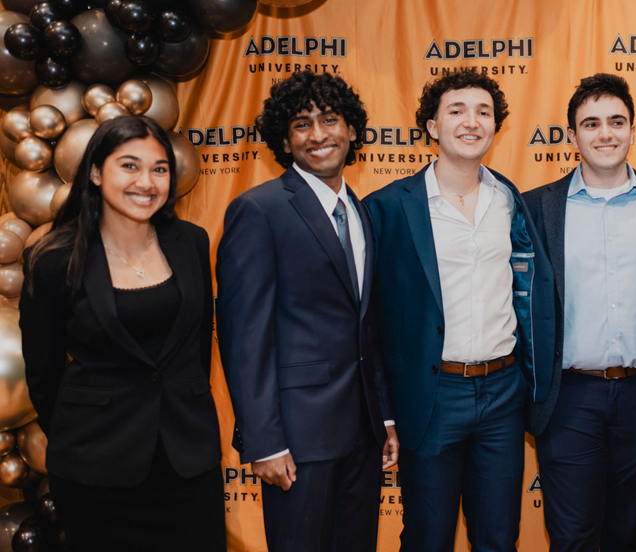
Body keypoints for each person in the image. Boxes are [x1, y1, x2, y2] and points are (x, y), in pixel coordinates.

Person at [363, 70, 555, 552]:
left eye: (484, 112)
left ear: (496, 126)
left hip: (502, 394)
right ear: (432, 126)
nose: (472, 122)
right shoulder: (387, 207)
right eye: (457, 111)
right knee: (428, 538)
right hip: (430, 396)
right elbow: (369, 325)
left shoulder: (511, 202)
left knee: (498, 537)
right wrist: (384, 411)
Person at [19, 116, 224, 552]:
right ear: (95, 172)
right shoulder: (54, 258)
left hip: (187, 460)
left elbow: (195, 353)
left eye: (159, 168)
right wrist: (85, 437)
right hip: (95, 468)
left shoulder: (191, 242)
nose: (146, 182)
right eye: (129, 166)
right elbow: (43, 372)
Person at [215, 71, 398, 552]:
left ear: (353, 130)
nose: (318, 135)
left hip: (362, 433)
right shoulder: (258, 210)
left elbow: (367, 326)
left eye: (330, 120)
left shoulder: (360, 210)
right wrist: (264, 442)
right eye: (301, 124)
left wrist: (386, 418)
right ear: (284, 138)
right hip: (296, 440)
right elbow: (243, 336)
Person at [521, 73, 636, 552]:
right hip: (570, 397)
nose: (606, 134)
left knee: (626, 536)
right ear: (572, 136)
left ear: (634, 131)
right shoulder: (536, 208)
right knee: (573, 537)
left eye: (617, 122)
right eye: (591, 123)